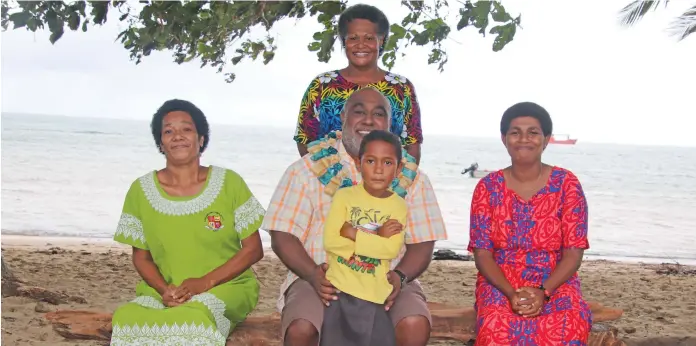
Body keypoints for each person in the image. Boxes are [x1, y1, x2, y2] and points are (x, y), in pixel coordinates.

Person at [264, 87, 447, 346]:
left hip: (388, 275)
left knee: (414, 322)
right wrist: (313, 275)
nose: (369, 120)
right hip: (319, 275)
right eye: (359, 112)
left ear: (390, 123)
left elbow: (424, 242)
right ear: (342, 118)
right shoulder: (305, 169)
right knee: (302, 328)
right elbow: (282, 235)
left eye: (379, 114)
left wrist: (401, 277)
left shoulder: (412, 177)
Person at [110, 99, 266, 345]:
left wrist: (204, 283)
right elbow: (141, 257)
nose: (177, 136)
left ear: (201, 139)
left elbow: (253, 249)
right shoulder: (140, 191)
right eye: (168, 131)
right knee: (127, 317)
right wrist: (164, 290)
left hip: (225, 287)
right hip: (163, 290)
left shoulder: (229, 183)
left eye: (186, 129)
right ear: (160, 143)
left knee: (194, 317)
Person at [468, 102, 592, 345]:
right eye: (515, 132)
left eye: (533, 132)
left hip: (556, 281)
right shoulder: (487, 187)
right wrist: (510, 293)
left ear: (546, 139)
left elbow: (573, 253)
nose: (524, 139)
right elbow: (482, 254)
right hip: (500, 281)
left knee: (567, 326)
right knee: (496, 328)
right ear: (504, 139)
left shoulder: (567, 184)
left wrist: (543, 292)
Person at [293, 3, 423, 163]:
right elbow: (304, 140)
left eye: (369, 38)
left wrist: (391, 184)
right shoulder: (322, 85)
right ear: (344, 41)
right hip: (329, 184)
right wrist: (328, 178)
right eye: (353, 38)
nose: (360, 45)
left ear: (381, 41)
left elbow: (412, 146)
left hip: (386, 184)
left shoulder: (401, 88)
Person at [321, 130, 408, 346]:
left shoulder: (398, 206)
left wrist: (352, 232)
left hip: (375, 294)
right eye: (371, 161)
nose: (378, 170)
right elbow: (331, 241)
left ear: (398, 169)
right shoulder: (344, 197)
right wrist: (377, 235)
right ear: (358, 164)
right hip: (339, 290)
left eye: (388, 163)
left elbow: (390, 250)